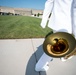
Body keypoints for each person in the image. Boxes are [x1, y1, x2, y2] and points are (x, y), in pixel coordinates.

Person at [35, 0, 76, 72]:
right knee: (53, 48)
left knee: (61, 45)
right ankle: (39, 66)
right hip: (67, 24)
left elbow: (49, 2)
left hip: (55, 22)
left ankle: (63, 57)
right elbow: (74, 10)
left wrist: (44, 21)